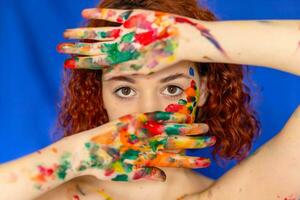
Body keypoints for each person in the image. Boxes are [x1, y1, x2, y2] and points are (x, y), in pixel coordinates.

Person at [1, 0, 300, 199]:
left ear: (205, 90)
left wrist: (189, 39)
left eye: (172, 89)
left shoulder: (237, 193)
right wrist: (74, 156)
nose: (147, 112)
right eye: (125, 90)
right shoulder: (50, 192)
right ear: (100, 95)